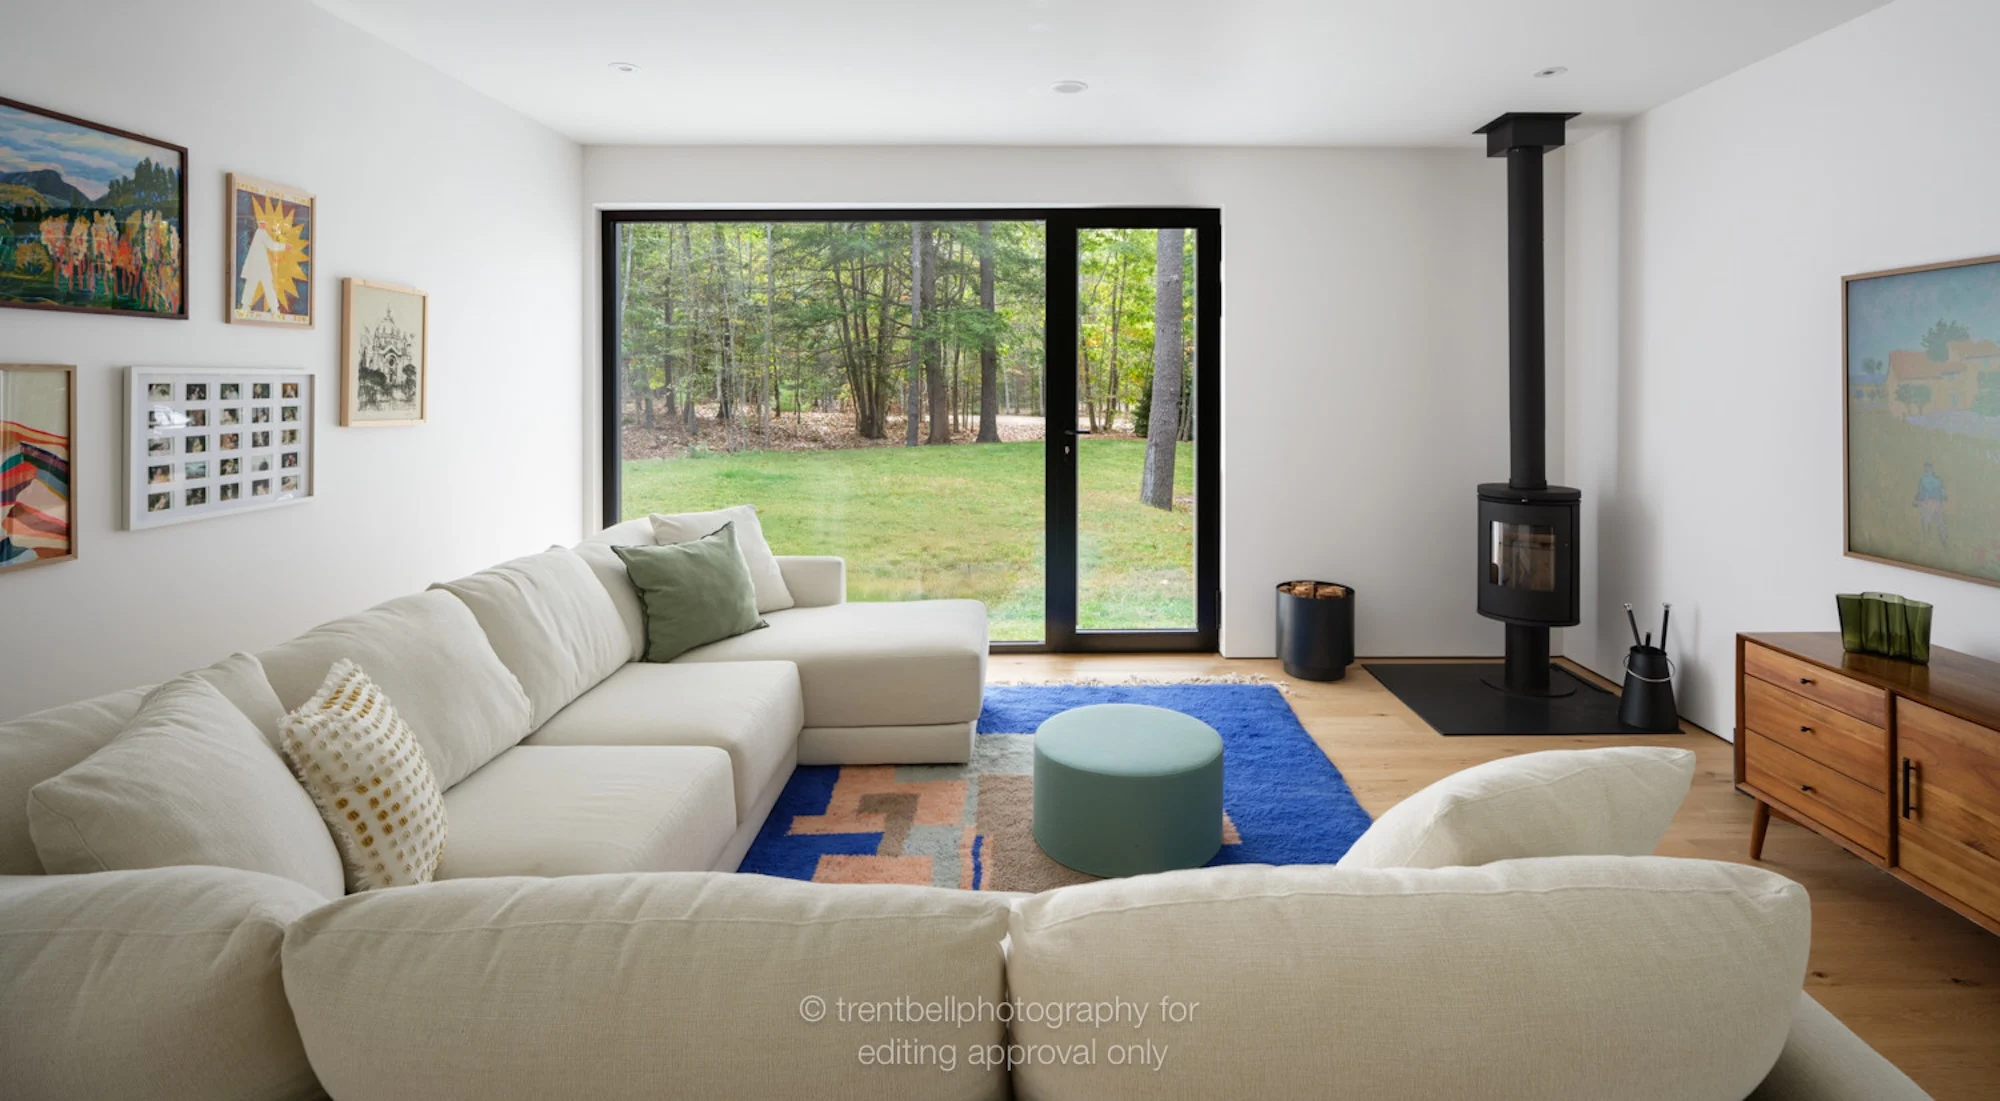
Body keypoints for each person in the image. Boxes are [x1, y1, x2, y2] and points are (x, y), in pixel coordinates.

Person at [1915, 461, 1948, 547]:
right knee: (1940, 522)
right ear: (1932, 468)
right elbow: (1943, 492)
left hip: (1927, 502)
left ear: (1925, 468)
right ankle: (1943, 541)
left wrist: (1917, 501)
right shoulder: (1938, 478)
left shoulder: (1923, 478)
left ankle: (1927, 540)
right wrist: (1943, 500)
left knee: (1925, 521)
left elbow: (1921, 493)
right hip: (1938, 502)